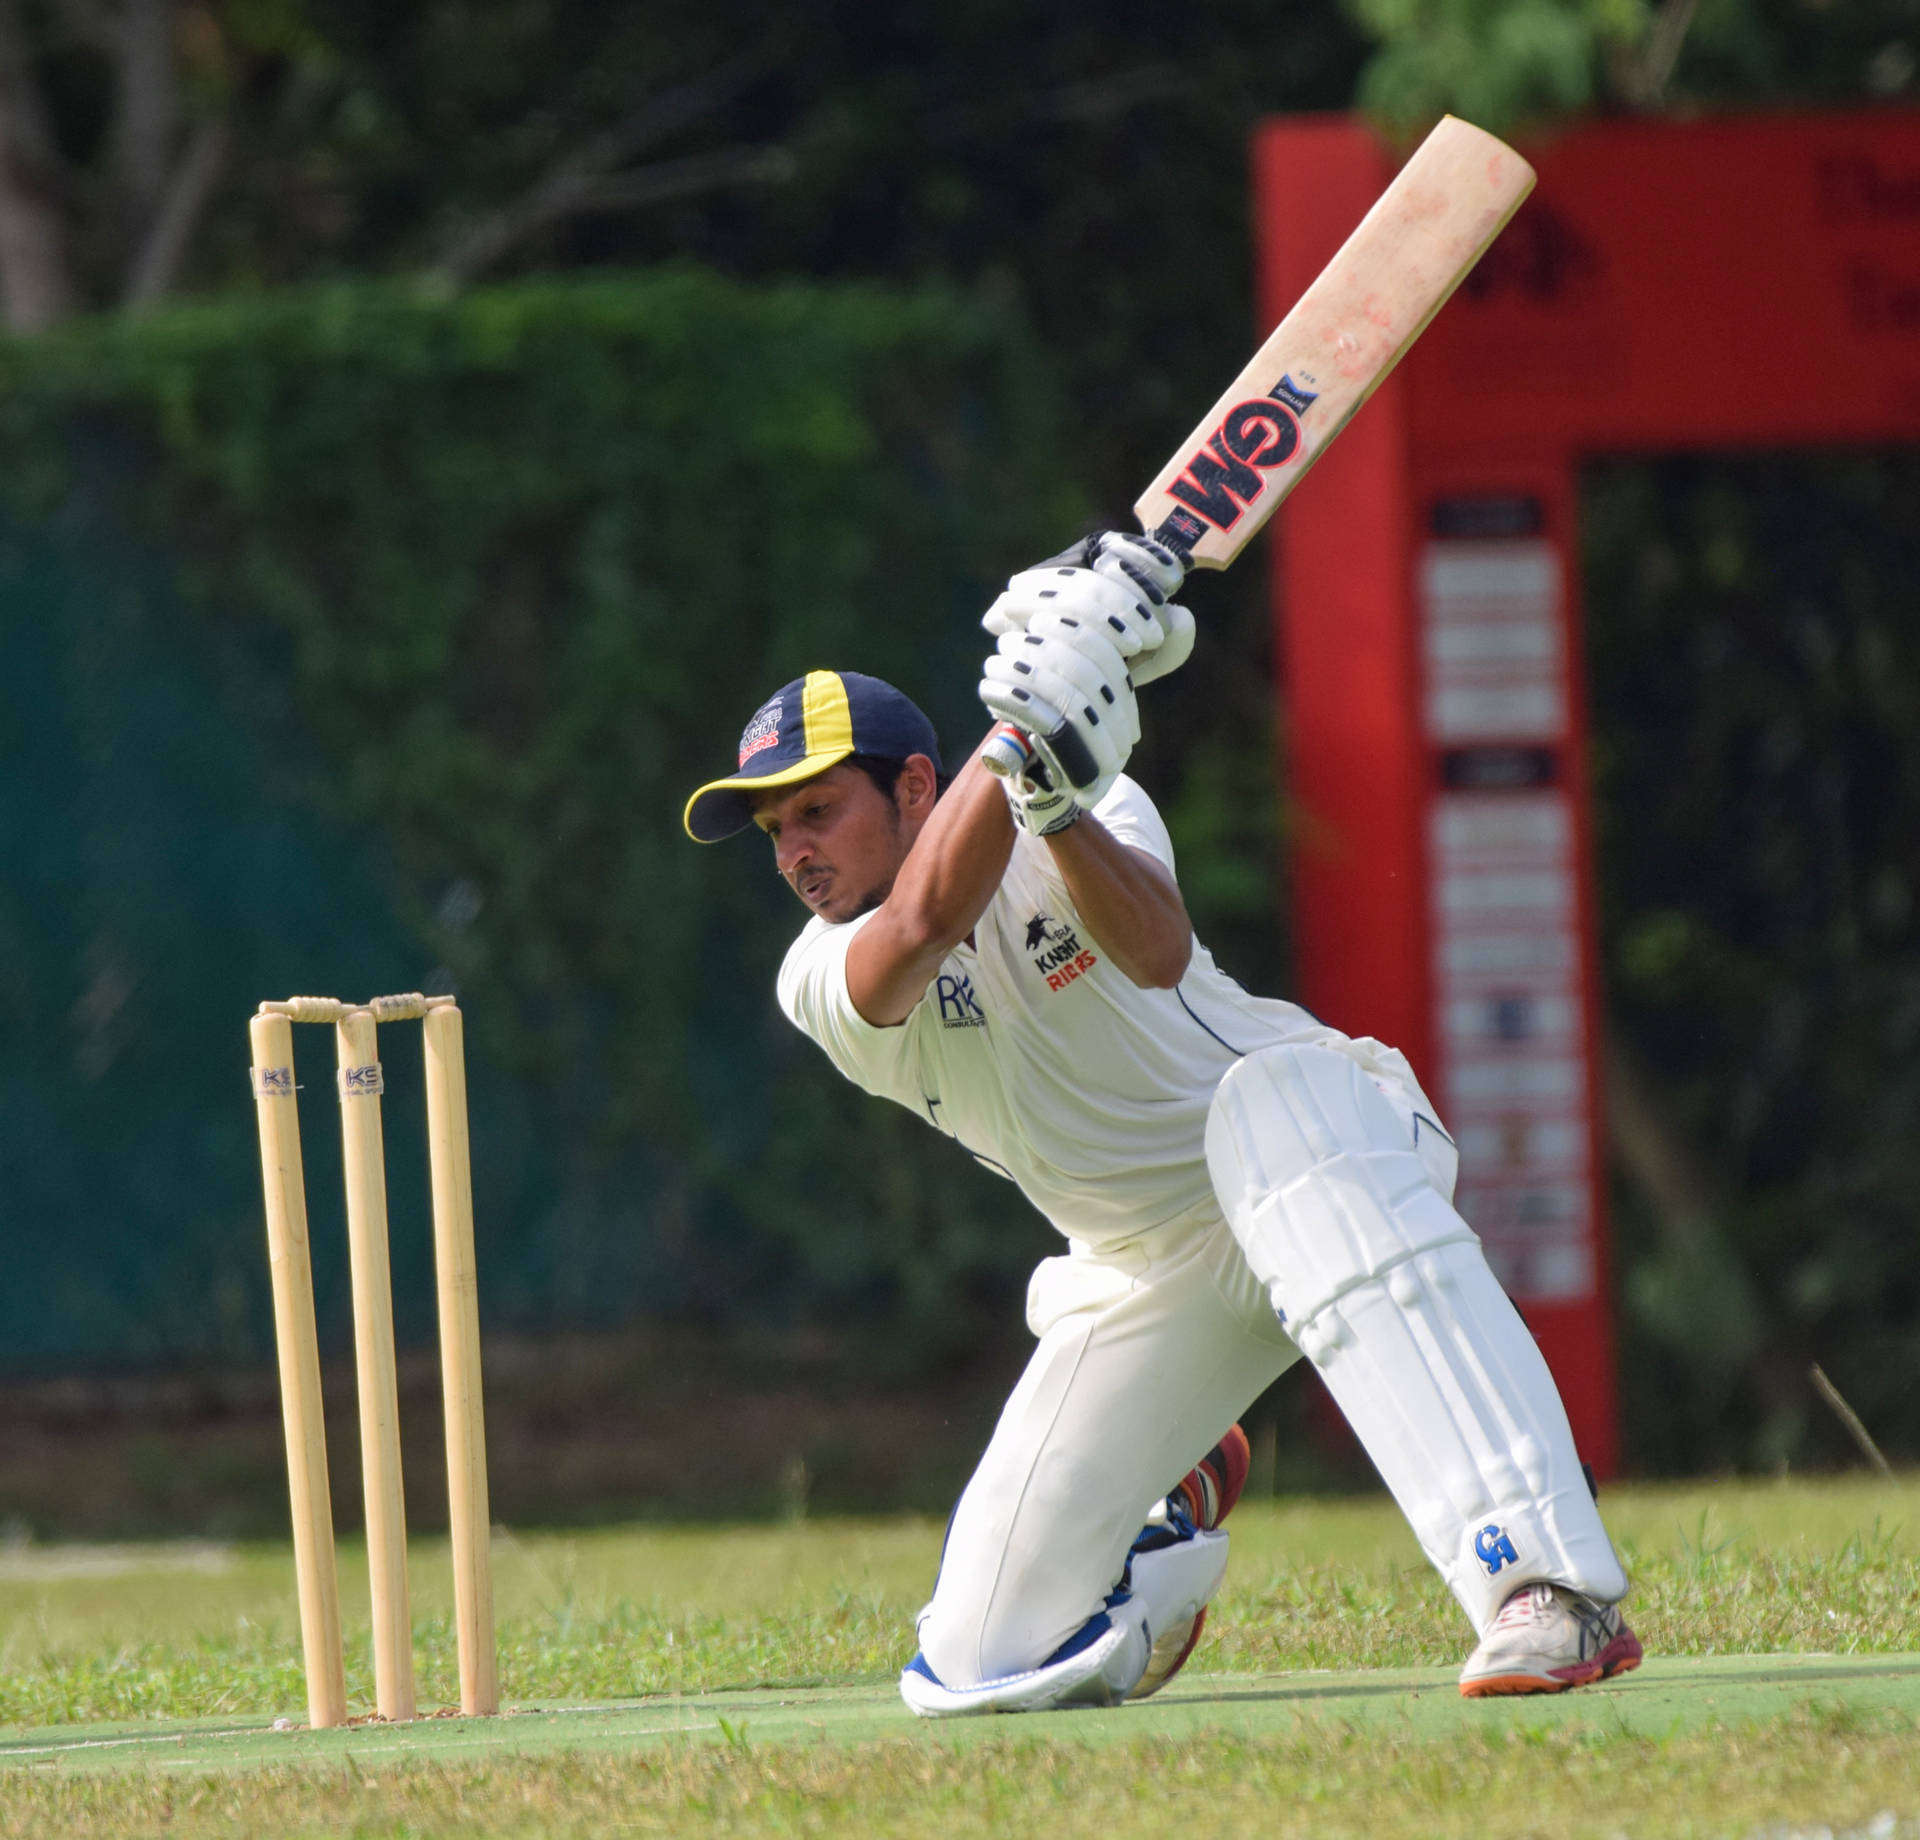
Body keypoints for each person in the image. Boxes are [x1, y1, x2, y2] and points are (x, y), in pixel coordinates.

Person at [682, 531, 1641, 1714]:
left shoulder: (1087, 802)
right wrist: (1022, 723)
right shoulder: (816, 976)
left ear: (916, 786)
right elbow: (925, 922)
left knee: (1269, 1106)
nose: (795, 856)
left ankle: (1546, 1586)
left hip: (1320, 1145)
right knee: (974, 1667)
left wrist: (1051, 788)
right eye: (776, 831)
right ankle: (1162, 1519)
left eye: (817, 811)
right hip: (1145, 1273)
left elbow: (1155, 948)